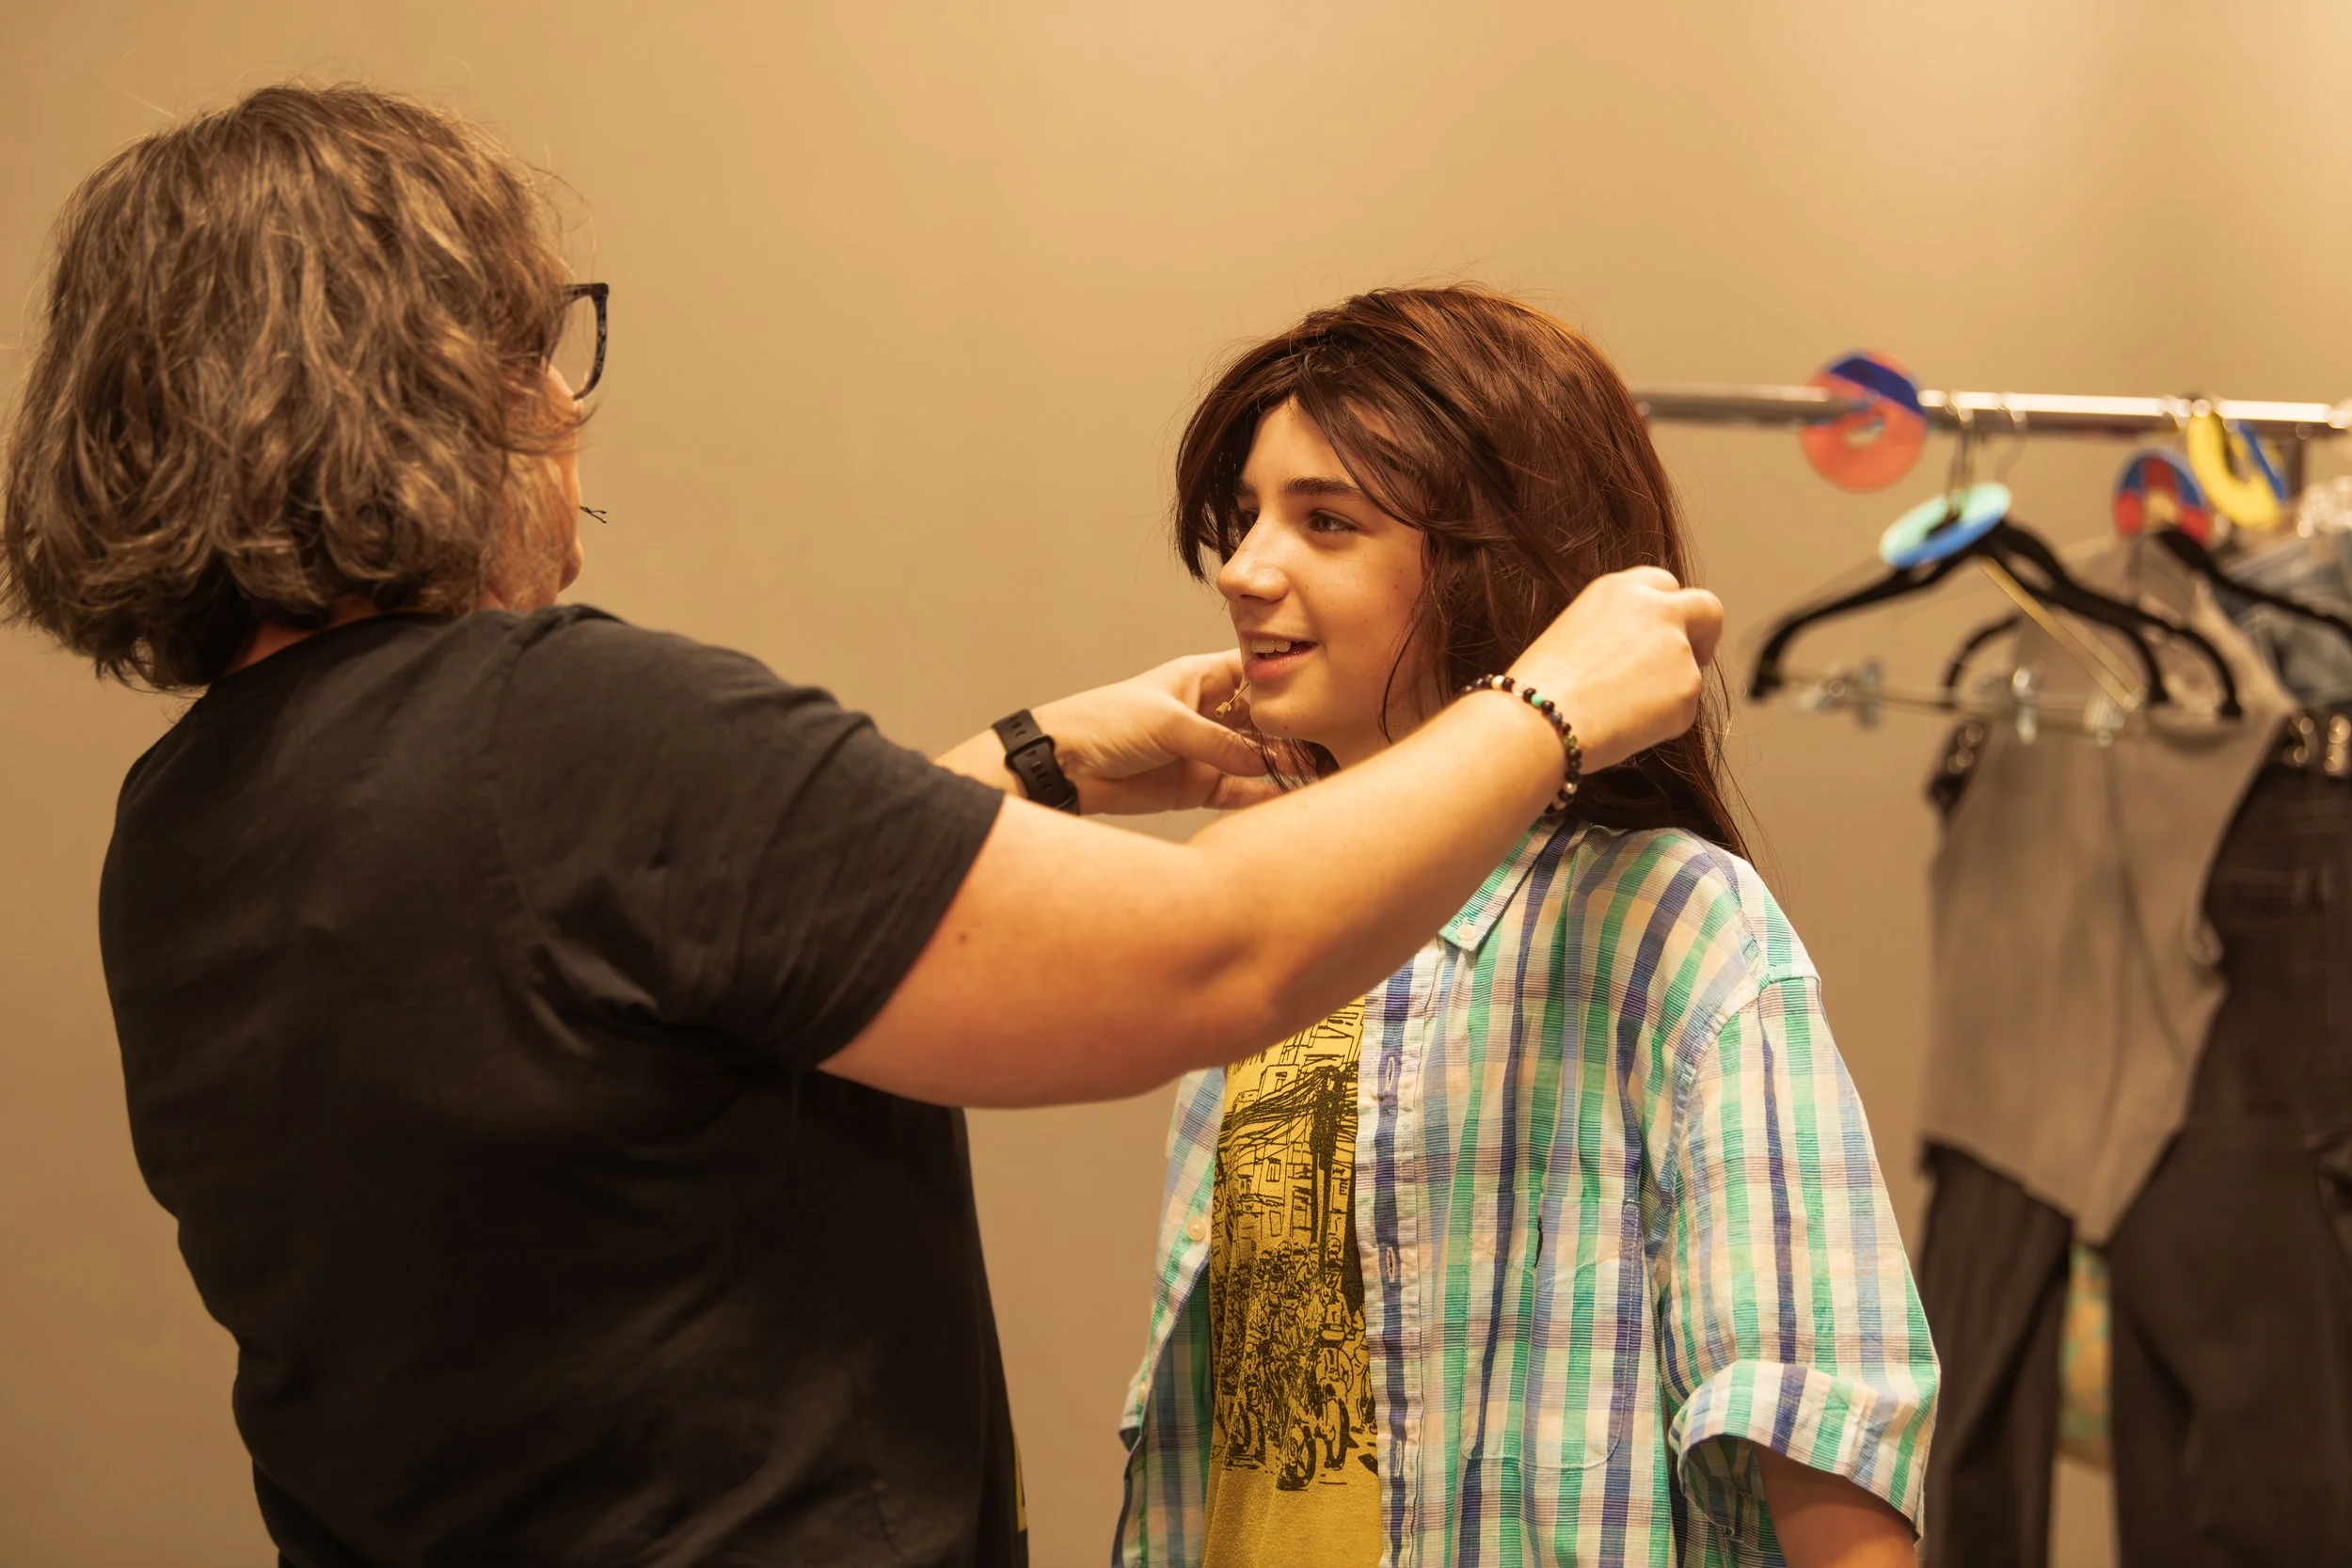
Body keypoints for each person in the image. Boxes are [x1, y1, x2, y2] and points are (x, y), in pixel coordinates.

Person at [0, 85, 1724, 1568]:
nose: (566, 406)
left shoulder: (189, 825)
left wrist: (1032, 758)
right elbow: (1213, 952)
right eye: (533, 350)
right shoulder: (567, 733)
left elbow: (666, 975)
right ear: (417, 387)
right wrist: (1548, 703)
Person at [1113, 287, 1938, 1568]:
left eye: (1326, 520)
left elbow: (1822, 1420)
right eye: (1248, 515)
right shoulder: (1268, 934)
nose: (1244, 568)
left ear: (1494, 563)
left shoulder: (1671, 925)